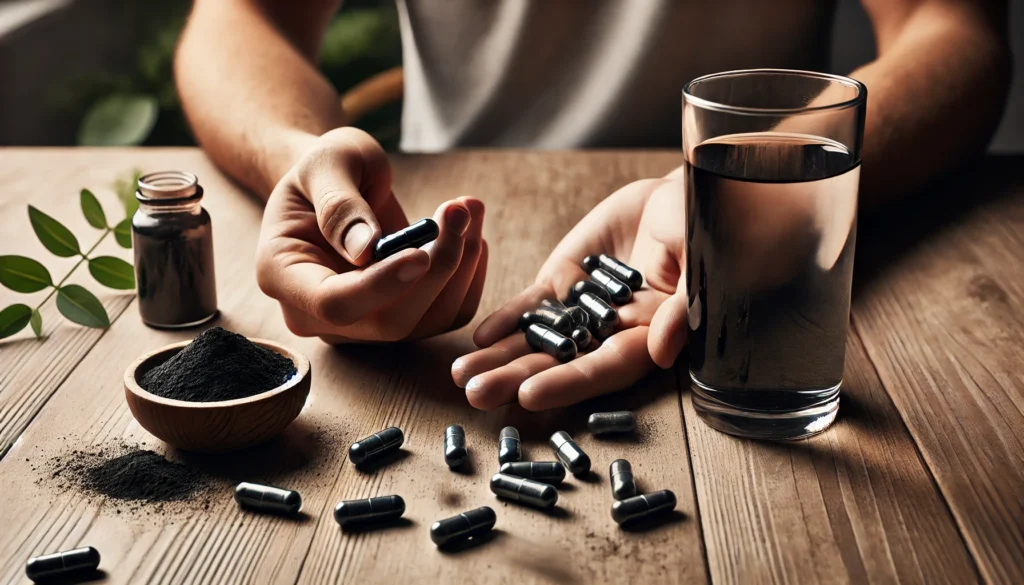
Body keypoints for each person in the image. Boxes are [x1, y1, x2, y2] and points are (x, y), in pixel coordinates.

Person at [175, 0, 1011, 410]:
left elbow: (952, 27)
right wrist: (300, 152)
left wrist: (750, 185)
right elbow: (238, 19)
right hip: (447, 214)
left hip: (738, 194)